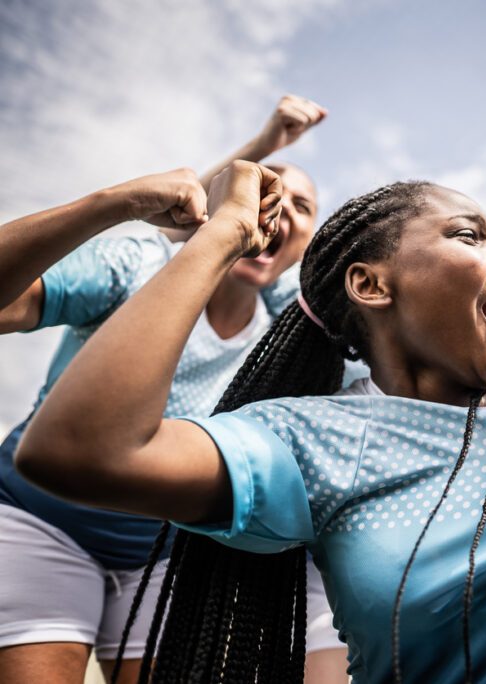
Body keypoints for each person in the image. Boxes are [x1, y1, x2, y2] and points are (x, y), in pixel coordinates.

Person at [16, 162, 486, 683]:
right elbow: (79, 450)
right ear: (370, 284)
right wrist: (219, 236)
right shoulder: (308, 440)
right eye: (470, 236)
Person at [0, 96, 345, 683]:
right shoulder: (136, 265)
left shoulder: (282, 324)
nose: (278, 208)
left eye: (301, 206)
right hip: (39, 517)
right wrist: (116, 202)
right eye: (267, 193)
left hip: (160, 550)